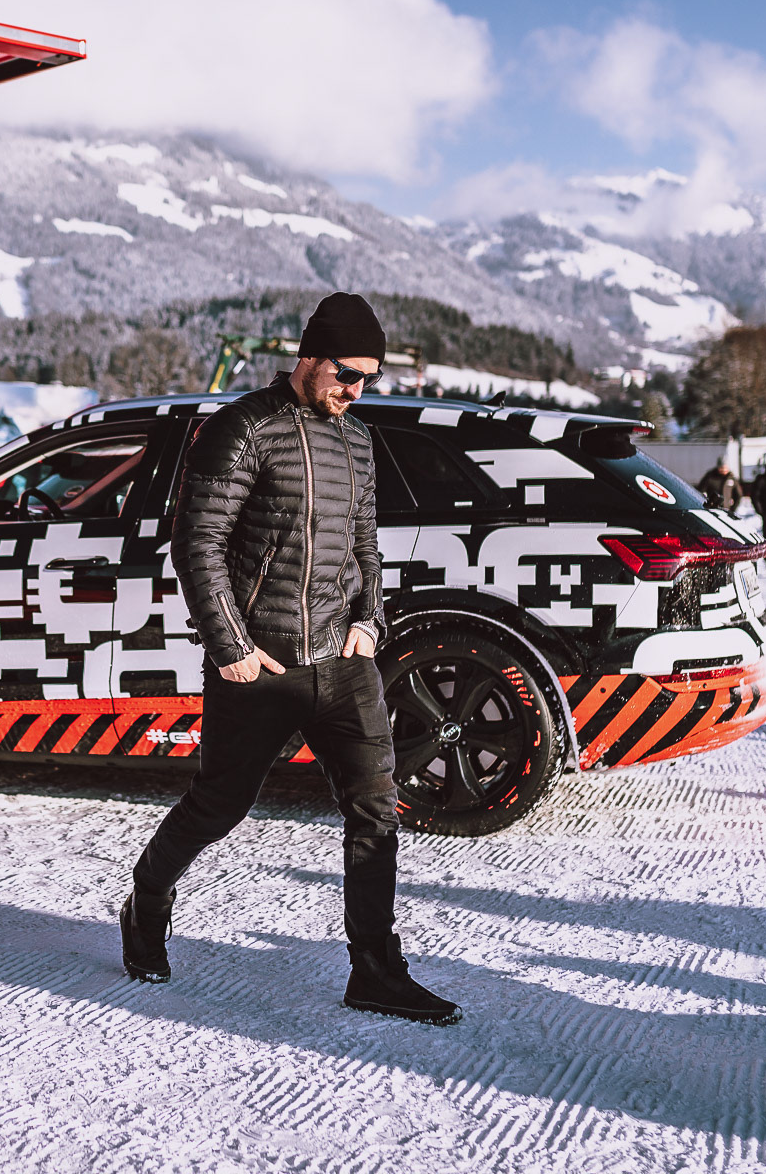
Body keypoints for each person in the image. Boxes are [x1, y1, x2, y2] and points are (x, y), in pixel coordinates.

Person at [120, 292, 461, 1026]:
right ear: (308, 356)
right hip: (261, 668)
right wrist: (231, 649)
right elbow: (198, 545)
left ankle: (376, 970)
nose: (356, 389)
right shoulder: (242, 428)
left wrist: (370, 621)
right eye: (346, 372)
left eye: (368, 378)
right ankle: (148, 898)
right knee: (219, 805)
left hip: (344, 664)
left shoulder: (358, 440)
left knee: (375, 809)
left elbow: (367, 543)